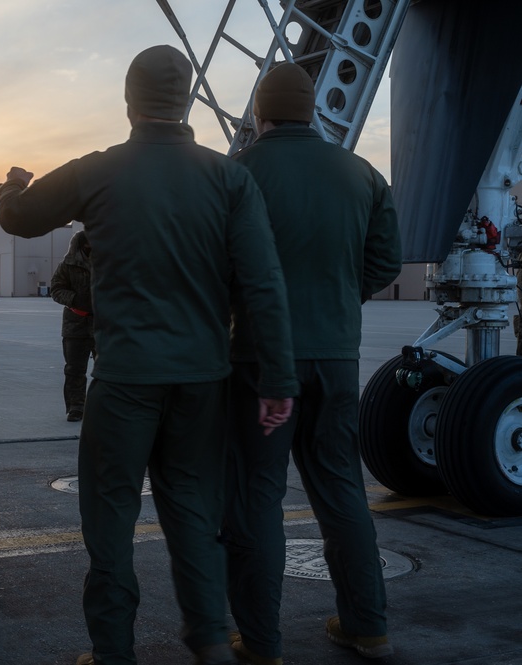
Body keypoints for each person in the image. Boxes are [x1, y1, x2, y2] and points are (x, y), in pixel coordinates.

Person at [0, 45, 299, 665]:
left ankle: (113, 651)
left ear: (129, 101)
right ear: (185, 100)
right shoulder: (228, 177)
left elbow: (20, 220)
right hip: (202, 380)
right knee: (193, 513)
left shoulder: (100, 170)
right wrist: (277, 379)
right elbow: (262, 285)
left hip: (126, 377)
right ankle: (210, 637)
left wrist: (12, 186)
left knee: (109, 519)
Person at [222, 63, 402, 665]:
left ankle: (262, 642)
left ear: (259, 115)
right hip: (336, 359)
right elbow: (385, 265)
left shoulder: (237, 173)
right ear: (313, 111)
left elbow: (215, 269)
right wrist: (335, 300)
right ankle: (368, 626)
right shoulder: (362, 175)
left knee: (257, 498)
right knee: (342, 490)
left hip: (258, 362)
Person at [50, 230, 95, 422]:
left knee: (108, 369)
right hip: (75, 326)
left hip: (104, 325)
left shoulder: (110, 262)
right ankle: (76, 407)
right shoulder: (67, 266)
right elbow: (56, 289)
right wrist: (75, 299)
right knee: (74, 369)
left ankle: (103, 406)